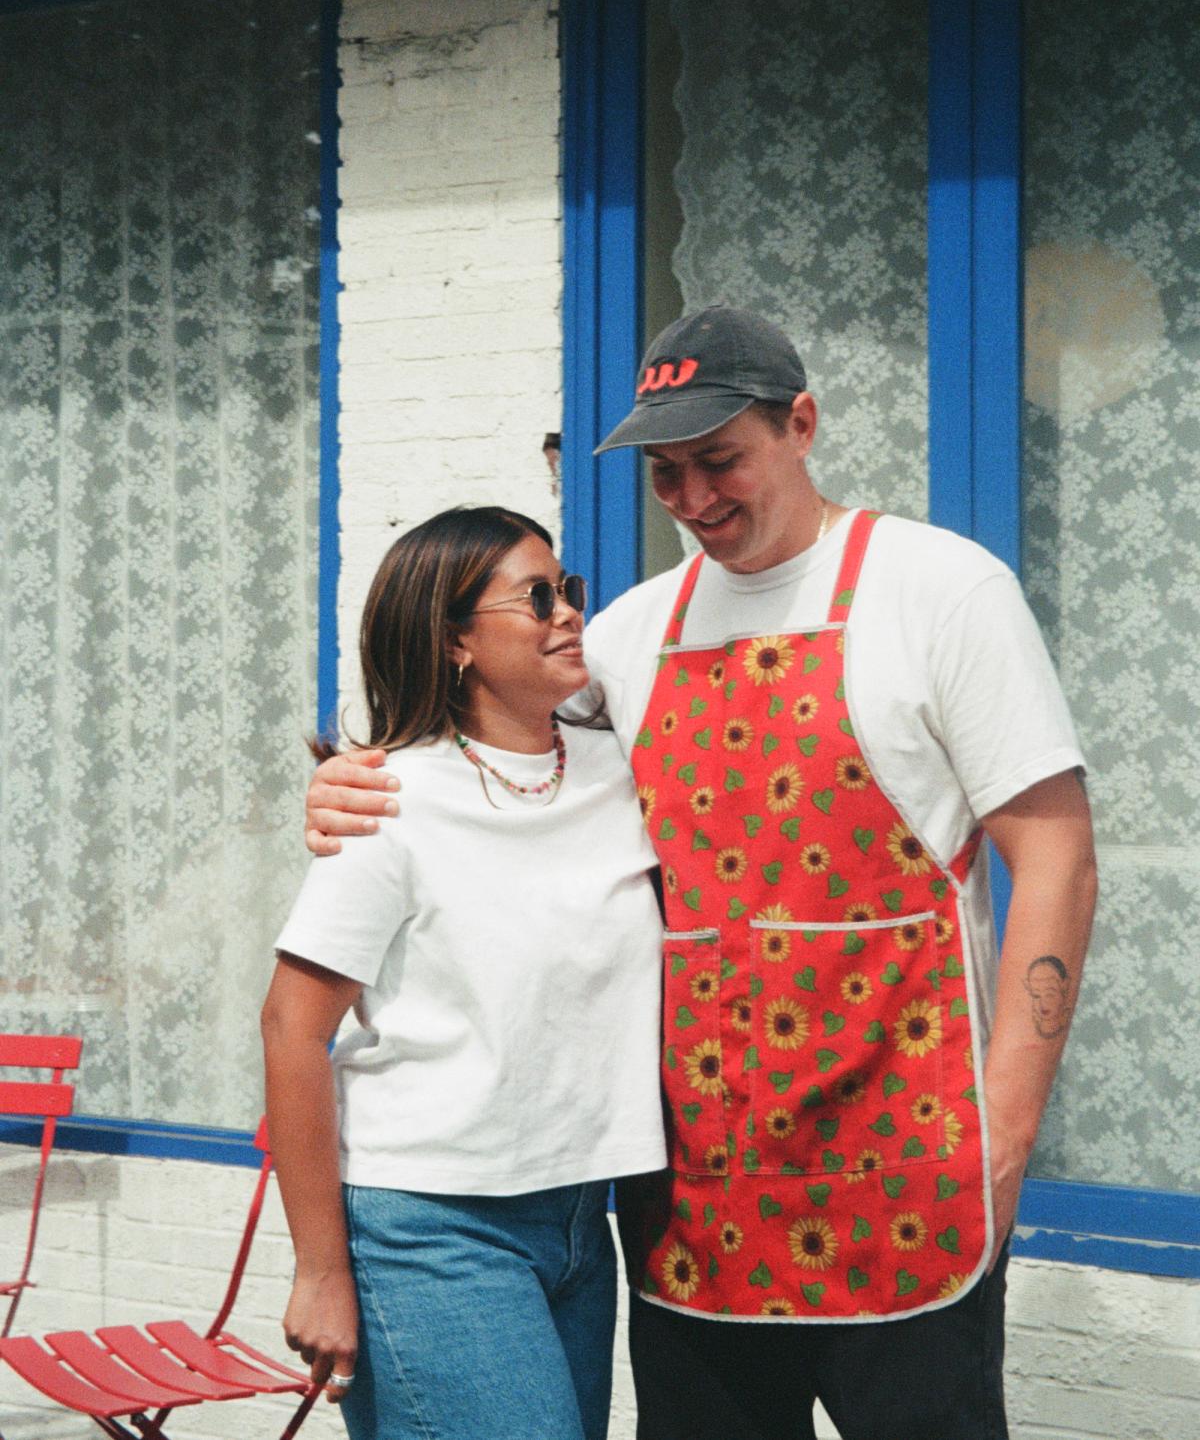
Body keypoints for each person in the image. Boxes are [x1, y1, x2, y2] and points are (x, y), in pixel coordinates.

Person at [305, 307, 1097, 1440]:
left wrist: (1005, 1133)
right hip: (697, 1191)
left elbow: (1057, 852)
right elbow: (483, 750)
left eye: (719, 458)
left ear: (802, 425)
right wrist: (350, 782)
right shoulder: (629, 634)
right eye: (666, 473)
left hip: (905, 1163)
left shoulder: (941, 591)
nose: (693, 498)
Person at [262, 505, 666, 1440]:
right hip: (430, 1228)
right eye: (535, 597)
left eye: (567, 589)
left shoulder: (622, 771)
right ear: (453, 642)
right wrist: (320, 1270)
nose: (567, 613)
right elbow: (292, 1027)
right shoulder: (389, 801)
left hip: (580, 1218)